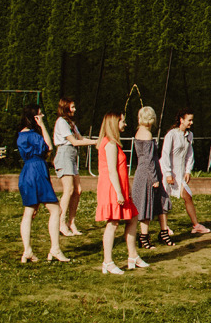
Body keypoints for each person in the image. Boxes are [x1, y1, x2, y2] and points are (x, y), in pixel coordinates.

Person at [94, 112, 144, 275]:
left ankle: (133, 256)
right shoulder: (110, 144)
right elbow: (112, 171)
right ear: (114, 123)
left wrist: (126, 190)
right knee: (113, 223)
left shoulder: (112, 143)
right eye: (122, 121)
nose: (125, 124)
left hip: (118, 188)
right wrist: (119, 193)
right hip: (111, 189)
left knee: (133, 216)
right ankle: (107, 261)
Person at [15, 105, 66, 263]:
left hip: (26, 172)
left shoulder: (20, 135)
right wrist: (42, 126)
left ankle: (27, 251)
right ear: (35, 117)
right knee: (56, 210)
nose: (43, 116)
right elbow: (49, 147)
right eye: (40, 115)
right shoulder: (34, 135)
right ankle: (55, 249)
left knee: (28, 212)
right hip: (38, 170)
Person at [160, 109, 210, 239]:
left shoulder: (189, 135)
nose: (191, 123)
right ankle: (164, 228)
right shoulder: (171, 134)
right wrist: (168, 173)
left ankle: (196, 226)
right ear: (181, 120)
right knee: (164, 200)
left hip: (180, 173)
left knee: (188, 196)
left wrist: (188, 171)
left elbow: (189, 154)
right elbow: (165, 155)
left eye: (192, 120)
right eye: (189, 120)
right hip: (167, 172)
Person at [53, 98, 97, 237]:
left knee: (78, 190)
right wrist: (96, 142)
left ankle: (71, 223)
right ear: (65, 108)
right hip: (64, 155)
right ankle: (61, 223)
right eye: (72, 107)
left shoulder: (70, 123)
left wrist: (98, 141)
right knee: (69, 189)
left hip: (71, 157)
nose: (74, 109)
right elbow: (74, 142)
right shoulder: (61, 122)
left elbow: (80, 138)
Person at [132, 106, 167, 251]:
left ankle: (150, 236)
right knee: (145, 205)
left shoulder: (140, 132)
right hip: (147, 174)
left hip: (144, 172)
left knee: (152, 203)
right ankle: (143, 238)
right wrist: (154, 178)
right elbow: (148, 160)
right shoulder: (146, 135)